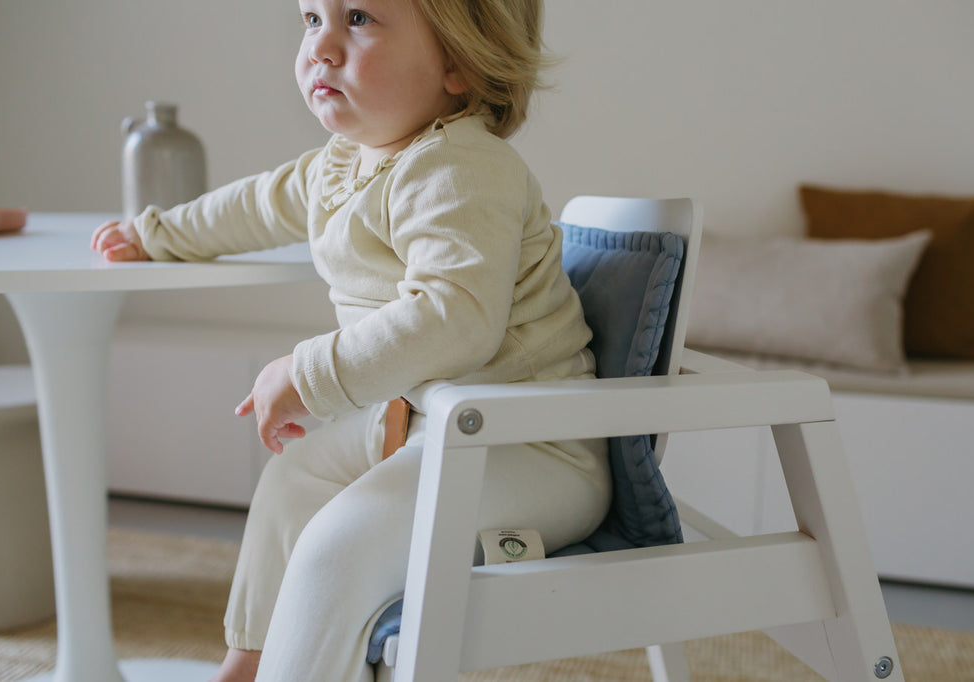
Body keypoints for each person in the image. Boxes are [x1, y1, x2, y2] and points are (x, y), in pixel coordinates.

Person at [92, 1, 610, 680]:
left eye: (359, 17)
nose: (321, 47)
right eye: (312, 18)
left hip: (526, 448)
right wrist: (158, 234)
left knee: (338, 544)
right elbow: (253, 205)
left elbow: (455, 316)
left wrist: (308, 373)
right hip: (430, 429)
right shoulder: (344, 164)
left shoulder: (463, 167)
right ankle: (249, 663)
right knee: (293, 481)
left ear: (459, 61)